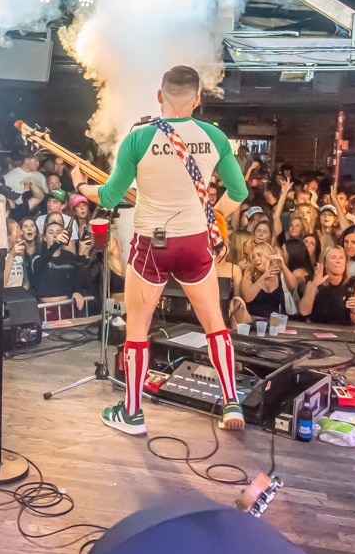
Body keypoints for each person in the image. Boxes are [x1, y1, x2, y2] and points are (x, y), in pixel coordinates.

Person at [72, 65, 248, 434]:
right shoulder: (214, 137)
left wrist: (82, 187)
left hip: (153, 245)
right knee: (215, 324)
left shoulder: (138, 138)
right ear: (197, 99)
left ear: (159, 97)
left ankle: (132, 413)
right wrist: (215, 216)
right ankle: (231, 401)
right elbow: (240, 191)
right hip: (195, 243)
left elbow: (110, 197)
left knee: (137, 327)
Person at [297, 246, 355, 325]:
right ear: (325, 263)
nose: (338, 261)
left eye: (341, 258)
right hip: (317, 328)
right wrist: (314, 286)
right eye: (333, 258)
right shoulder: (315, 280)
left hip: (342, 330)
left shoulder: (353, 284)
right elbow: (304, 312)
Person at [240, 242, 292, 321]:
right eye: (253, 257)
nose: (256, 259)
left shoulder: (279, 274)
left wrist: (283, 266)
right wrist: (264, 277)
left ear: (269, 255)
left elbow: (293, 286)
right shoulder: (249, 274)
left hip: (277, 323)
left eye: (259, 255)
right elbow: (247, 298)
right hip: (255, 322)